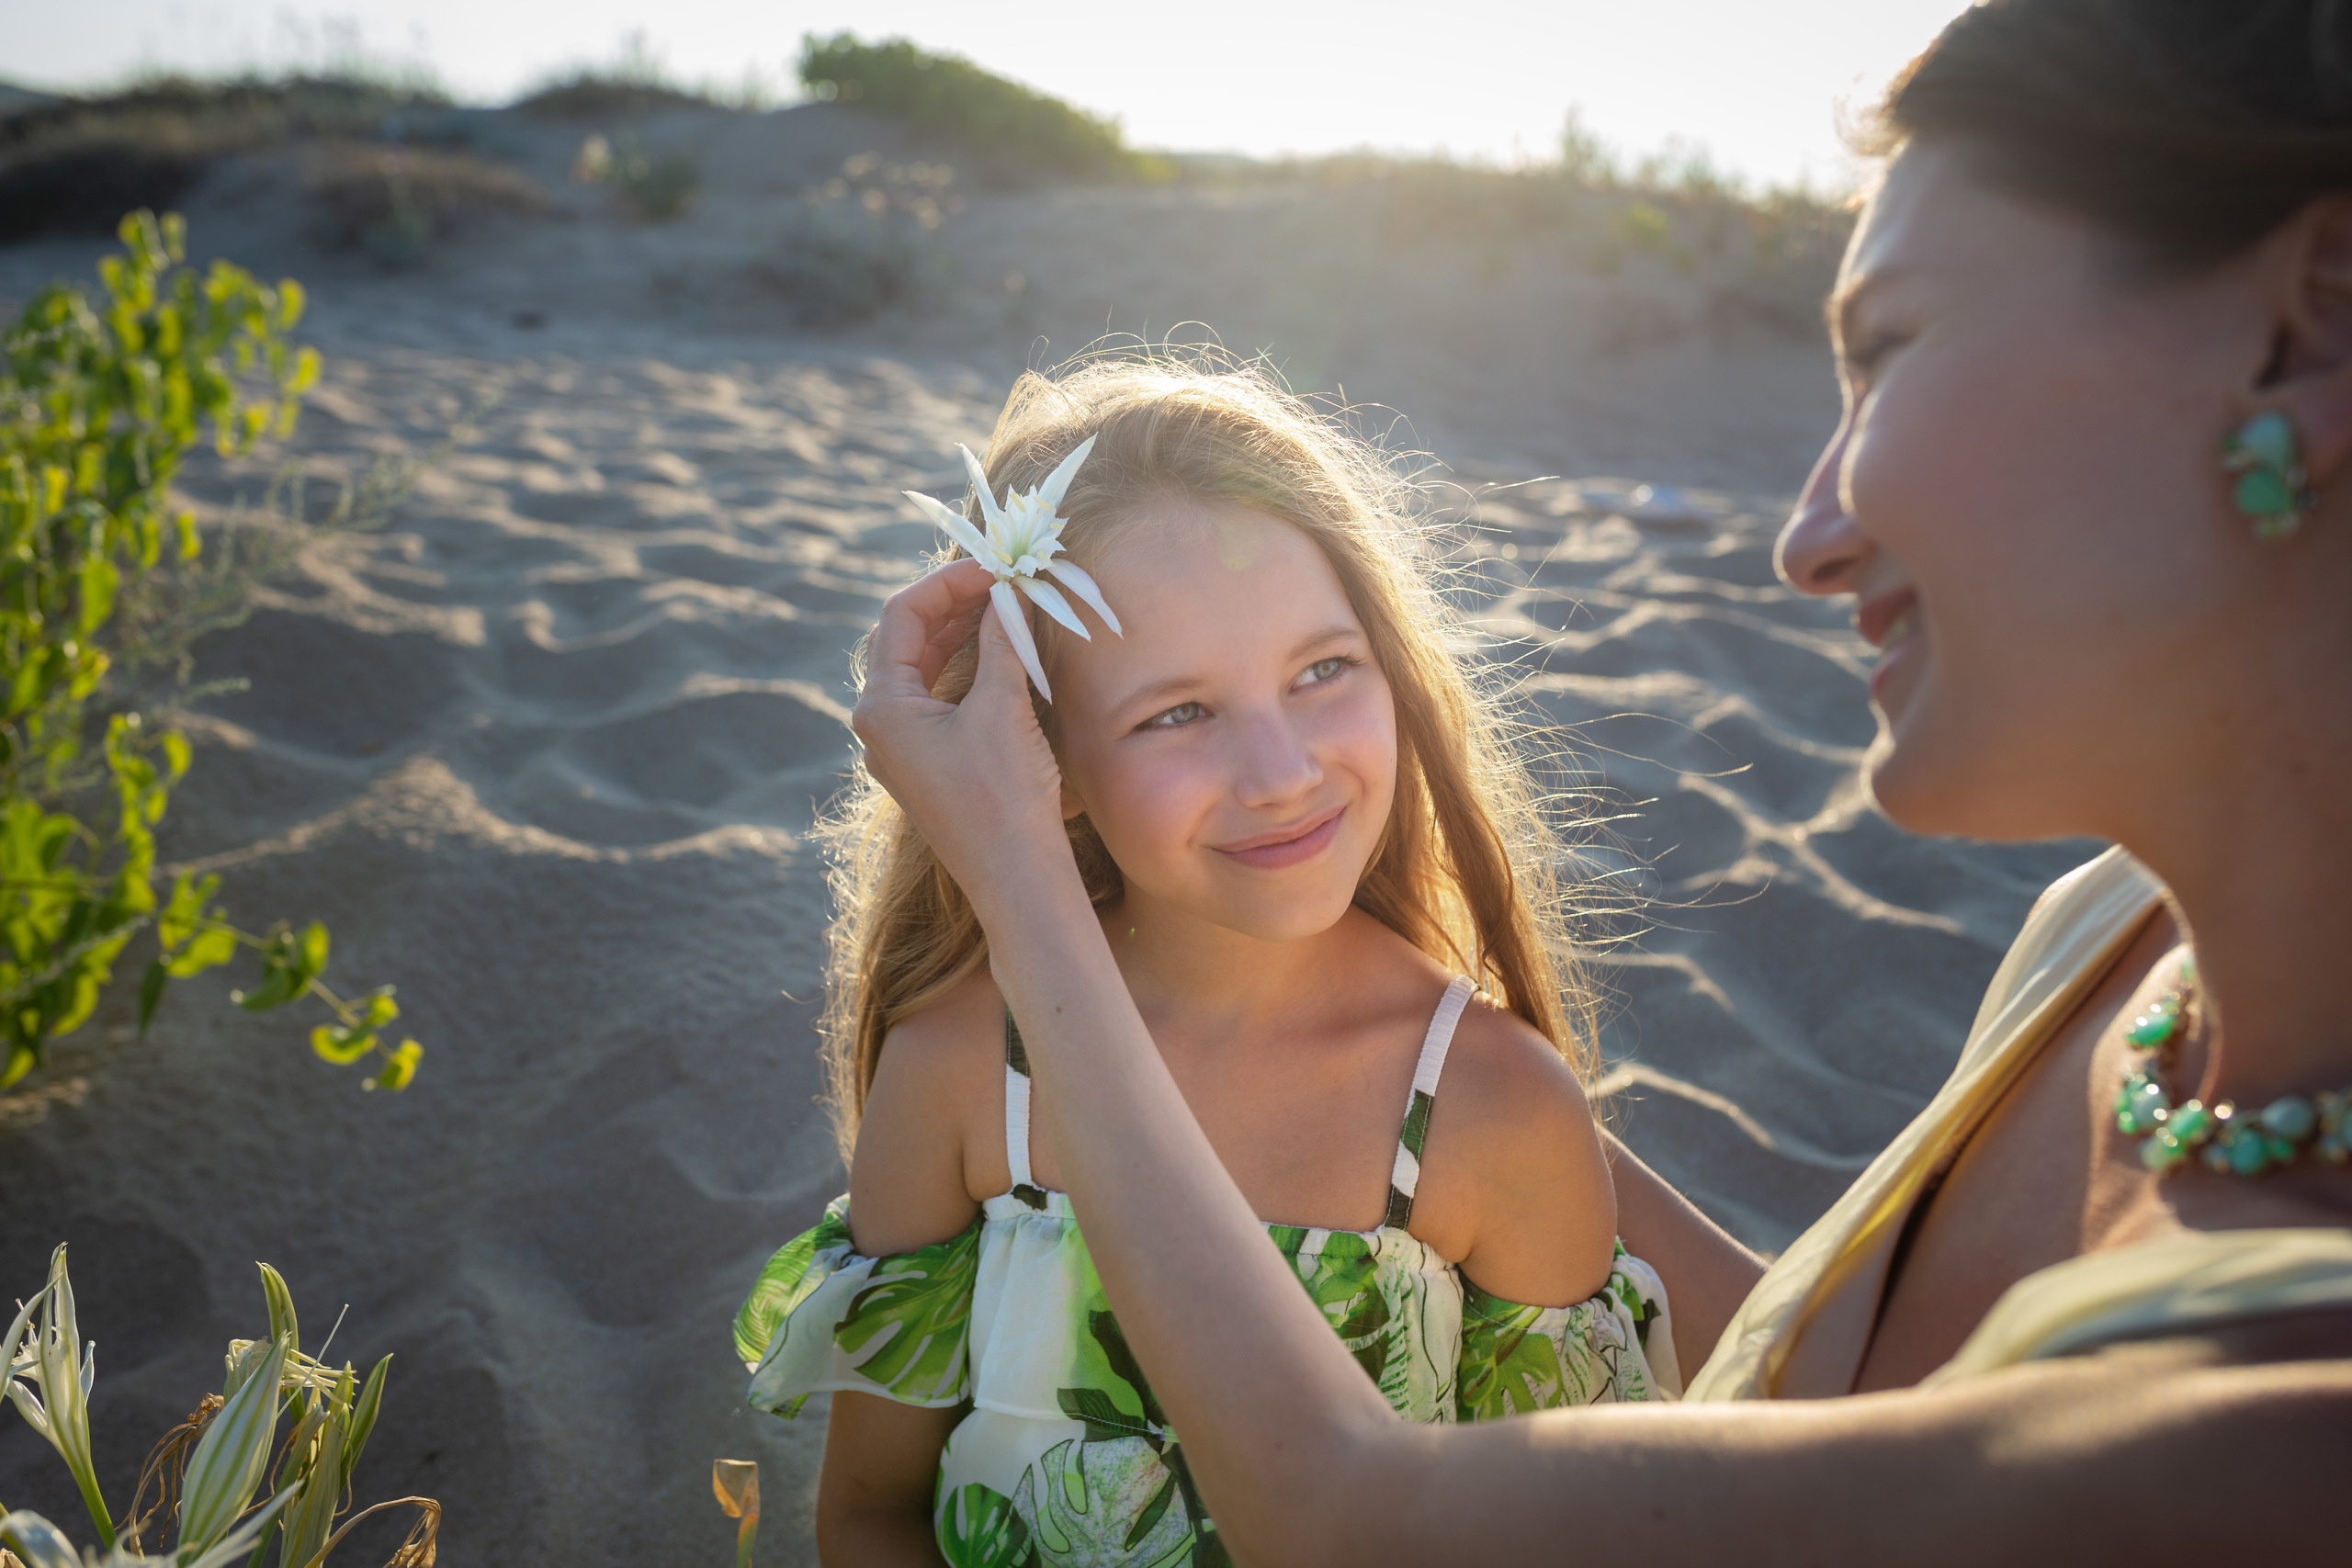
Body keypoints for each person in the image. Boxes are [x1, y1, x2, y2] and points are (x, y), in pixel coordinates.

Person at [844, 2, 2352, 1562]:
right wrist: (1393, 1058)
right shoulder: (2113, 940)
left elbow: (1348, 1514)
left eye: (1894, 345)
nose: (1805, 535)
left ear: (2305, 328)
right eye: (1177, 713)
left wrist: (1021, 876)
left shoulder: (2304, 1419)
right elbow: (1822, 1405)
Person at [733, 361, 1698, 1565]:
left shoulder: (1493, 1114)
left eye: (1323, 670)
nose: (1282, 772)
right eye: (1176, 713)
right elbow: (871, 1518)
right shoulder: (964, 1073)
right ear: (1038, 759)